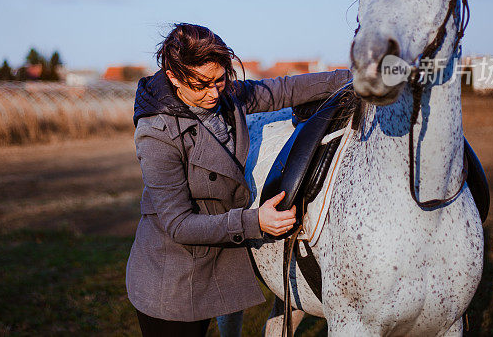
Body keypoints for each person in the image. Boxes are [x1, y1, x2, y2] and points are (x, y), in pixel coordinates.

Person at [126, 23, 351, 336]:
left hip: (210, 267)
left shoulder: (226, 98)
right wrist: (255, 221)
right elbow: (178, 224)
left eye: (220, 80)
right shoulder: (156, 134)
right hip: (171, 283)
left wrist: (354, 78)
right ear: (173, 77)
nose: (214, 92)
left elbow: (284, 90)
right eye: (201, 85)